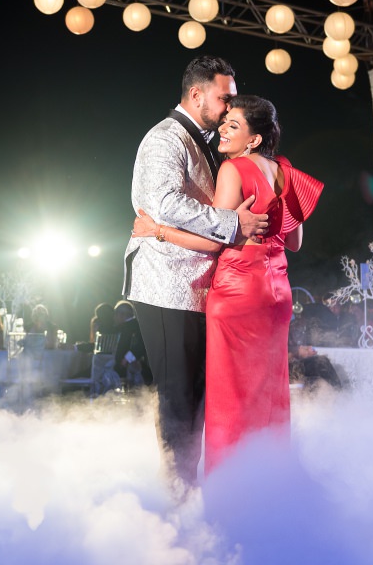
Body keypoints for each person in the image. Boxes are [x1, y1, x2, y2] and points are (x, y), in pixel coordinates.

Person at [133, 94, 321, 474]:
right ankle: (268, 479)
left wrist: (158, 231)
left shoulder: (233, 170)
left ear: (252, 139)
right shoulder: (284, 170)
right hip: (277, 291)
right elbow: (295, 242)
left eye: (232, 125)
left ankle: (230, 489)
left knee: (230, 393)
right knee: (267, 389)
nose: (222, 128)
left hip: (237, 292)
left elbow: (216, 237)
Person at [122, 55, 269, 486]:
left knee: (200, 396)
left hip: (199, 287)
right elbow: (164, 203)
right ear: (196, 93)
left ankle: (194, 489)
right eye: (225, 98)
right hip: (165, 283)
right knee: (179, 396)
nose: (230, 108)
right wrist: (231, 224)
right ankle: (177, 494)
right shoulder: (164, 139)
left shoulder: (205, 139)